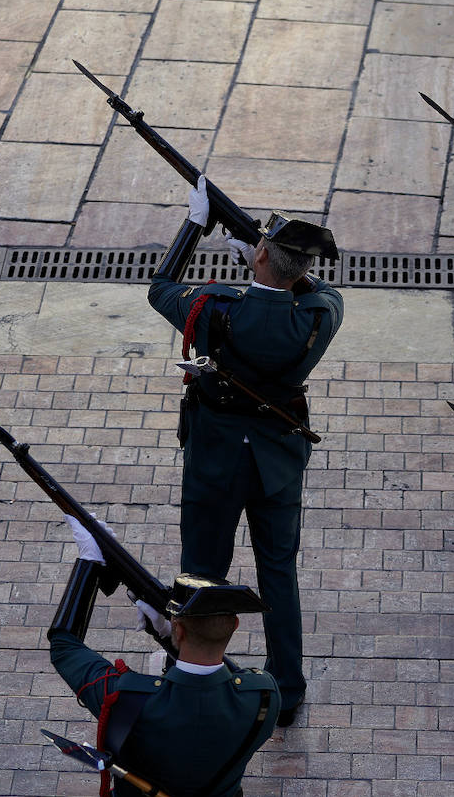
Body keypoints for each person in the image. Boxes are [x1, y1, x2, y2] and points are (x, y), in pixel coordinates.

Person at [147, 176, 344, 728]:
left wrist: (195, 223)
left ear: (259, 255)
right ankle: (288, 686)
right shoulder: (321, 313)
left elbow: (161, 287)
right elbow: (308, 287)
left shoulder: (214, 305)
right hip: (277, 459)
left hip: (215, 457)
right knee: (278, 570)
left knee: (202, 570)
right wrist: (269, 269)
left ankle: (194, 670)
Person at [48, 516, 279, 797]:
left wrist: (89, 563)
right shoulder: (264, 696)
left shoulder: (130, 699)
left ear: (178, 628)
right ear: (235, 626)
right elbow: (228, 677)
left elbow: (64, 646)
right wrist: (171, 638)